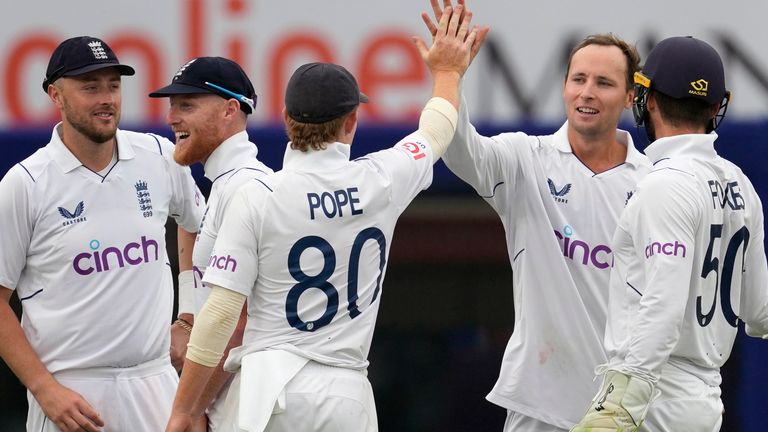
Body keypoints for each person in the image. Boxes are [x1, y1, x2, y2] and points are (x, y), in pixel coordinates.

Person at [165, 5, 486, 432]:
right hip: (346, 397)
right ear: (351, 122)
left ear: (285, 120)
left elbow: (222, 313)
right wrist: (448, 71)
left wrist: (184, 411)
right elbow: (435, 131)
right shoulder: (383, 180)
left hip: (271, 393)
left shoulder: (258, 195)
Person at [421, 1, 651, 430]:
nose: (587, 92)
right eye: (578, 79)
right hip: (540, 405)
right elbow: (458, 150)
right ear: (563, 86)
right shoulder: (526, 159)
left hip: (626, 411)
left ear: (630, 97)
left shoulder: (654, 183)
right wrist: (449, 76)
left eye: (604, 82)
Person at [0, 36, 204, 432]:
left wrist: (189, 315)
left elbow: (198, 225)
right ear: (55, 95)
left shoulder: (158, 155)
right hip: (73, 395)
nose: (106, 98)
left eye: (113, 85)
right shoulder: (25, 184)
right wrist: (43, 388)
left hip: (156, 381)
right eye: (90, 87)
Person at [570, 36, 768, 432]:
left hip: (651, 401)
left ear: (649, 100)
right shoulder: (741, 185)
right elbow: (759, 313)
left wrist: (623, 405)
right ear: (716, 108)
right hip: (704, 402)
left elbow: (665, 302)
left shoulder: (664, 184)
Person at [149, 56, 274, 431]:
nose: (172, 117)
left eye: (187, 105)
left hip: (246, 406)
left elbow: (237, 320)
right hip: (237, 401)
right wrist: (187, 313)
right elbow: (188, 224)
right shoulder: (226, 184)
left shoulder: (244, 188)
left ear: (230, 111)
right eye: (172, 106)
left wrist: (189, 410)